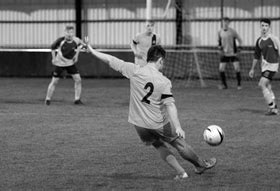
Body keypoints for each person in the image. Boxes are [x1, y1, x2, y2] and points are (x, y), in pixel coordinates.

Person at [85, 38, 216, 180]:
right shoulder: (163, 81)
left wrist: (92, 50)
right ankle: (200, 165)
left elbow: (110, 60)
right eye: (163, 62)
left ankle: (181, 173)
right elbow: (170, 105)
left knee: (158, 145)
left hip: (138, 124)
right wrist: (178, 126)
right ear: (159, 60)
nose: (163, 65)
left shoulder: (134, 70)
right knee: (179, 143)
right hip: (158, 123)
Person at [249, 18, 280, 115]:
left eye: (266, 26)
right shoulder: (259, 41)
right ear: (260, 27)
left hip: (273, 66)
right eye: (262, 26)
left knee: (262, 84)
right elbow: (256, 56)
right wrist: (252, 69)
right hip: (264, 67)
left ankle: (272, 108)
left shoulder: (274, 39)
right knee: (268, 87)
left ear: (269, 27)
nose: (264, 28)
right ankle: (275, 107)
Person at [44, 26, 84, 105]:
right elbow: (52, 48)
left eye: (71, 32)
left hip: (70, 63)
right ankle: (47, 99)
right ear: (65, 33)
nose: (69, 34)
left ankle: (77, 99)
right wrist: (54, 58)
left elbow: (81, 45)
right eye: (68, 32)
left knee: (78, 79)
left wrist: (77, 55)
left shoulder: (76, 40)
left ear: (73, 33)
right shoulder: (60, 40)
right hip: (60, 64)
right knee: (54, 81)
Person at [217, 17, 243, 90]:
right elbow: (219, 42)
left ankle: (239, 84)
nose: (225, 23)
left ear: (229, 23)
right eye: (224, 22)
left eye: (227, 22)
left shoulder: (232, 31)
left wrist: (239, 48)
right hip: (224, 54)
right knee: (221, 69)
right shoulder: (219, 32)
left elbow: (240, 40)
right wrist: (220, 49)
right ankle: (224, 85)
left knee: (237, 68)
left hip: (233, 53)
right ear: (222, 22)